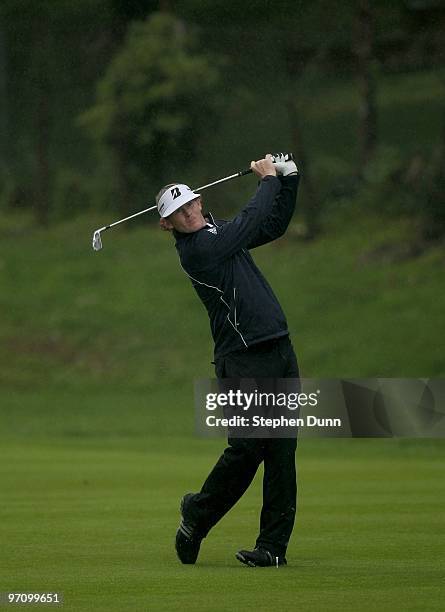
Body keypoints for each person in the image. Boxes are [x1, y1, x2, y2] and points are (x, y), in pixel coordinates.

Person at [157, 153, 300, 567]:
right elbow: (250, 222)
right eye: (178, 213)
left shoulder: (215, 230)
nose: (188, 213)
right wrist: (268, 180)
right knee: (247, 449)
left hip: (279, 348)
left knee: (281, 454)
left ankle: (272, 548)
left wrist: (289, 182)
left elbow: (270, 226)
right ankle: (196, 515)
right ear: (166, 224)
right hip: (242, 360)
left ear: (199, 201)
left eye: (190, 204)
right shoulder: (198, 250)